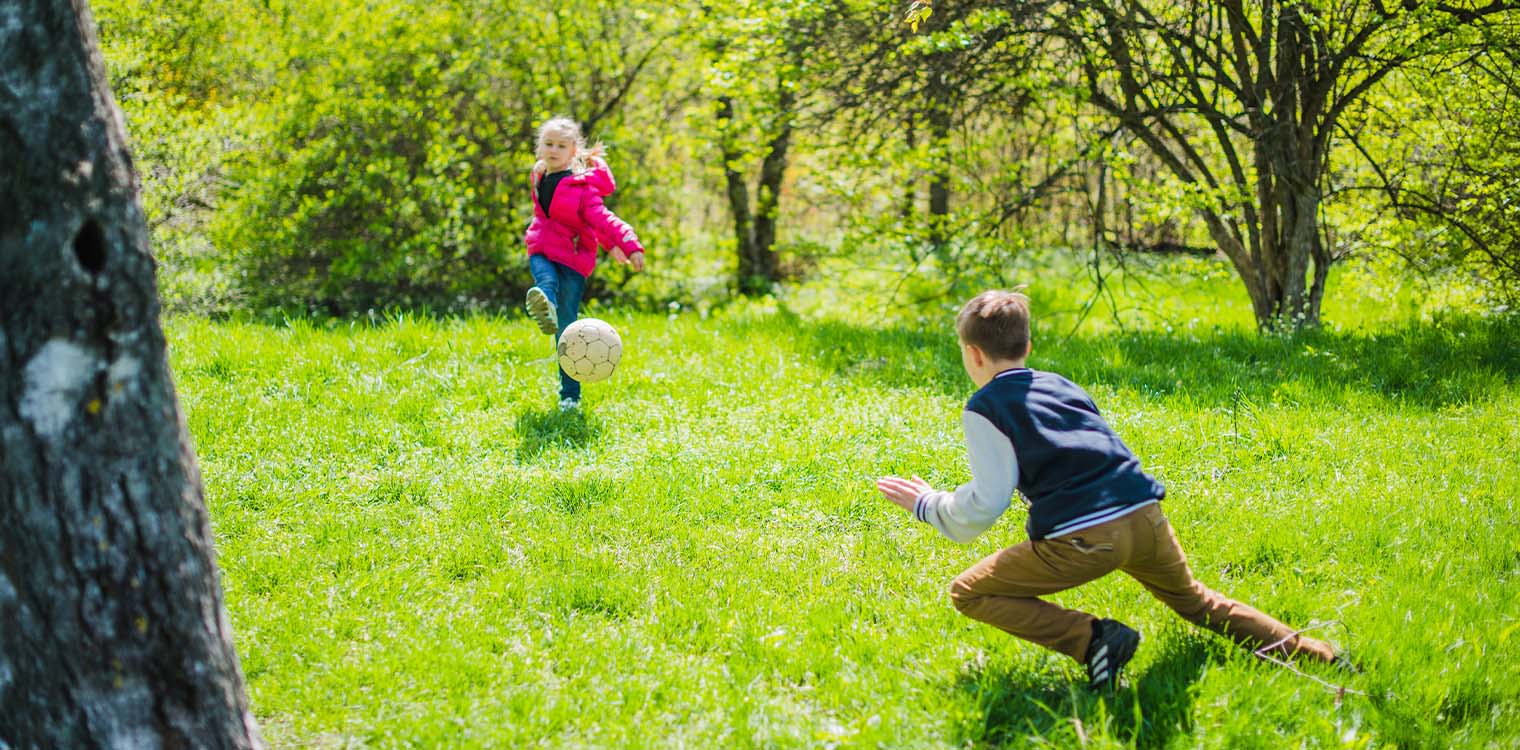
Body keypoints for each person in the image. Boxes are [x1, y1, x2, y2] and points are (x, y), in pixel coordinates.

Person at [876, 289, 1342, 690]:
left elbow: (989, 499)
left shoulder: (985, 406)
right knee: (1198, 602)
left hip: (1085, 537)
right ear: (1028, 344)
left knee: (968, 593)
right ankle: (1321, 656)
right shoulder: (1062, 385)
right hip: (1145, 515)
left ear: (973, 354)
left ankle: (1093, 639)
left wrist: (927, 504)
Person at [523, 117, 646, 410]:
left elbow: (599, 220)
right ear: (540, 147)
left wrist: (624, 244)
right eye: (548, 144)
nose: (553, 150)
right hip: (541, 248)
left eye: (561, 146)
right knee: (545, 281)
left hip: (574, 260)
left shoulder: (583, 188)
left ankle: (570, 395)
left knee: (568, 331)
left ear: (573, 150)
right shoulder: (539, 174)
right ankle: (546, 302)